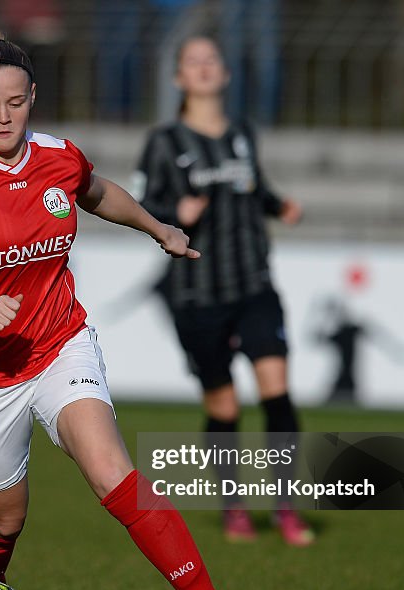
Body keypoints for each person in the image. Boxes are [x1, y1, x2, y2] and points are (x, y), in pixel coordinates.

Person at [0, 31, 258, 590]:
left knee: (113, 472)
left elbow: (96, 193)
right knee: (2, 518)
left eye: (15, 101)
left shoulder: (58, 157)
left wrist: (158, 228)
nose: (4, 115)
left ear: (33, 96)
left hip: (59, 343)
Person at [134, 35, 314, 546]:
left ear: (225, 73)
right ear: (179, 79)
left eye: (212, 58)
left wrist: (279, 207)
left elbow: (254, 188)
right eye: (194, 60)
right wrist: (174, 217)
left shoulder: (242, 134)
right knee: (224, 406)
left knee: (276, 390)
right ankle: (235, 507)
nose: (205, 66)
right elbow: (142, 207)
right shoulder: (164, 142)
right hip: (197, 293)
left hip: (254, 284)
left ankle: (285, 507)